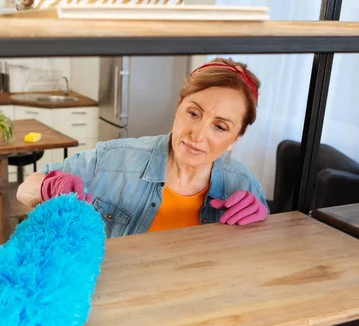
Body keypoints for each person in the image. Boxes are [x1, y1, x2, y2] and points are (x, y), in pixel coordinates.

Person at [17, 57, 269, 238]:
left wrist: (262, 226)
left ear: (237, 137)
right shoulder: (114, 159)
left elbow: (259, 259)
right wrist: (47, 186)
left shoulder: (244, 184)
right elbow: (25, 188)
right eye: (193, 113)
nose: (198, 134)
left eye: (220, 127)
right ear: (179, 106)